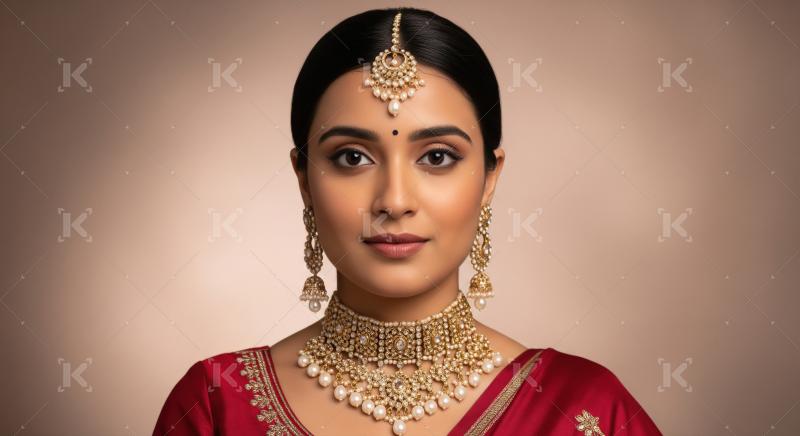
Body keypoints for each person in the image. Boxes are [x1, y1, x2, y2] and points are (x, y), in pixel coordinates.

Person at [153, 7, 662, 435]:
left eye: (437, 157)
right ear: (304, 178)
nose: (394, 200)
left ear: (489, 177)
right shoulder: (218, 405)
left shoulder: (581, 410)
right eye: (352, 158)